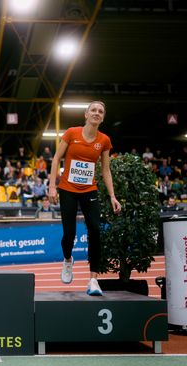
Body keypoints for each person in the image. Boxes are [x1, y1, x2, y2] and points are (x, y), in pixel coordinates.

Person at [48, 100, 121, 296]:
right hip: (68, 189)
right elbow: (56, 158)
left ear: (103, 117)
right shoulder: (72, 133)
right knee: (69, 233)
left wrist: (113, 196)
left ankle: (93, 280)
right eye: (93, 110)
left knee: (95, 230)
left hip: (89, 190)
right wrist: (52, 187)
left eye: (101, 111)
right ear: (86, 115)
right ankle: (67, 259)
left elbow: (105, 170)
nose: (97, 113)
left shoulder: (104, 140)